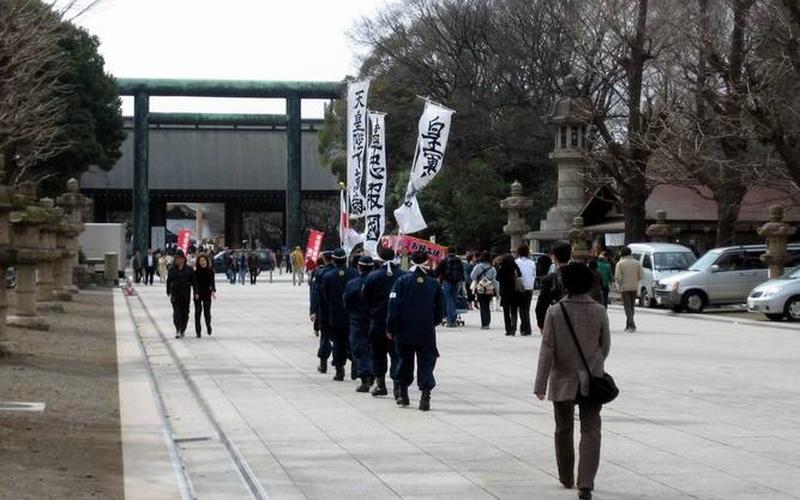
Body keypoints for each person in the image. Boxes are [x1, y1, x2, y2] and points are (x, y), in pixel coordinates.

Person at [534, 263, 611, 500]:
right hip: (591, 378)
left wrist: (541, 384)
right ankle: (585, 483)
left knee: (563, 428)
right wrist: (595, 363)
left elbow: (547, 350)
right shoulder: (599, 311)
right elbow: (605, 346)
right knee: (591, 430)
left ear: (565, 284)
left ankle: (566, 475)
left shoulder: (555, 312)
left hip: (562, 377)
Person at [387, 251, 445, 411]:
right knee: (426, 362)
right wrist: (432, 322)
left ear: (411, 261)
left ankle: (403, 394)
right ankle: (425, 395)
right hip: (426, 330)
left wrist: (390, 327)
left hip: (404, 330)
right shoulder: (433, 283)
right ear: (427, 262)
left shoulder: (401, 281)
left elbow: (393, 307)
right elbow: (441, 309)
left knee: (404, 360)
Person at [362, 245, 405, 398]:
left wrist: (373, 310)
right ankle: (398, 386)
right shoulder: (402, 275)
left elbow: (365, 297)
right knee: (397, 355)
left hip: (377, 321)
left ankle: (381, 384)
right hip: (397, 323)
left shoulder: (373, 276)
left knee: (377, 353)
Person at [319, 249, 358, 381]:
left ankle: (339, 370)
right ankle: (355, 365)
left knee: (338, 342)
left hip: (335, 313)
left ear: (334, 260)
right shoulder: (354, 273)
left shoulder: (328, 276)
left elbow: (325, 296)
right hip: (352, 314)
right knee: (352, 341)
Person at [344, 255, 376, 393]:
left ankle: (365, 377)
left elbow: (347, 303)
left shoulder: (353, 283)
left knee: (359, 349)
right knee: (374, 349)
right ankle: (374, 373)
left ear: (359, 267)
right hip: (375, 319)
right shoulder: (379, 282)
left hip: (358, 320)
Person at [536, 244, 572, 331]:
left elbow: (541, 305)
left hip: (558, 318)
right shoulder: (578, 276)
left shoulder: (550, 279)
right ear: (570, 257)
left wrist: (542, 325)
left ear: (554, 257)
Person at [309, 251, 334, 372]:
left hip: (324, 310)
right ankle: (349, 366)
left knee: (325, 336)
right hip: (342, 311)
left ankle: (323, 363)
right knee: (342, 338)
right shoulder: (350, 273)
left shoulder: (320, 273)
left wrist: (313, 310)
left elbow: (315, 293)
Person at [166, 250, 194, 339]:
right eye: (176, 258)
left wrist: (196, 292)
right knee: (176, 312)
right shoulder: (172, 269)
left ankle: (182, 328)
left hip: (186, 294)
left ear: (183, 259)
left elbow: (194, 282)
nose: (177, 260)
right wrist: (168, 291)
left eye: (179, 258)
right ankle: (177, 329)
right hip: (175, 294)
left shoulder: (189, 269)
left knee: (185, 312)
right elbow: (168, 281)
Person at [615, 246, 642, 332]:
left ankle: (632, 325)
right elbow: (641, 275)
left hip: (625, 288)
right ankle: (628, 325)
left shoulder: (620, 263)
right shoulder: (637, 263)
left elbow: (617, 277)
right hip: (634, 287)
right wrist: (635, 280)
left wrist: (620, 284)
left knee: (627, 307)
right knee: (632, 307)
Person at [437, 248, 464, 327]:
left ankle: (450, 321)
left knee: (448, 301)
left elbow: (438, 271)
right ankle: (454, 319)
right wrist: (462, 280)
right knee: (454, 300)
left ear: (447, 252)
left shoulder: (444, 261)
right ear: (455, 252)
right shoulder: (459, 261)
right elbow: (462, 272)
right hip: (457, 282)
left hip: (447, 282)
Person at [470, 251, 497, 330]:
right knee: (487, 305)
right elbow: (495, 279)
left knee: (482, 305)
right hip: (489, 288)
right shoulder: (492, 268)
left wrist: (479, 279)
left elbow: (472, 276)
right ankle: (487, 322)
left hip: (480, 287)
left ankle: (484, 323)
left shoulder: (478, 267)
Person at [496, 254, 521, 336]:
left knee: (506, 312)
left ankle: (508, 329)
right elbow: (520, 275)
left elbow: (497, 278)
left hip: (505, 292)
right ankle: (513, 328)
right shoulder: (515, 267)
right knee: (514, 311)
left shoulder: (502, 268)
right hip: (514, 291)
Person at [192, 254, 216, 337]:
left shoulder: (210, 271)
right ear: (198, 263)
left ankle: (208, 325)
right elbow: (194, 284)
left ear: (206, 261)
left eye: (204, 260)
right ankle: (198, 331)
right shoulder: (195, 272)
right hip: (198, 294)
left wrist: (213, 291)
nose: (203, 262)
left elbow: (212, 282)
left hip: (207, 293)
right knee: (198, 313)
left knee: (207, 312)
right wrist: (196, 293)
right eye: (201, 261)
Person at [515, 245, 536, 335]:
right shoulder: (532, 263)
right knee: (526, 308)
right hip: (530, 287)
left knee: (521, 308)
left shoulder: (516, 262)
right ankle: (527, 327)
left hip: (520, 287)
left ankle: (525, 328)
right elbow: (534, 275)